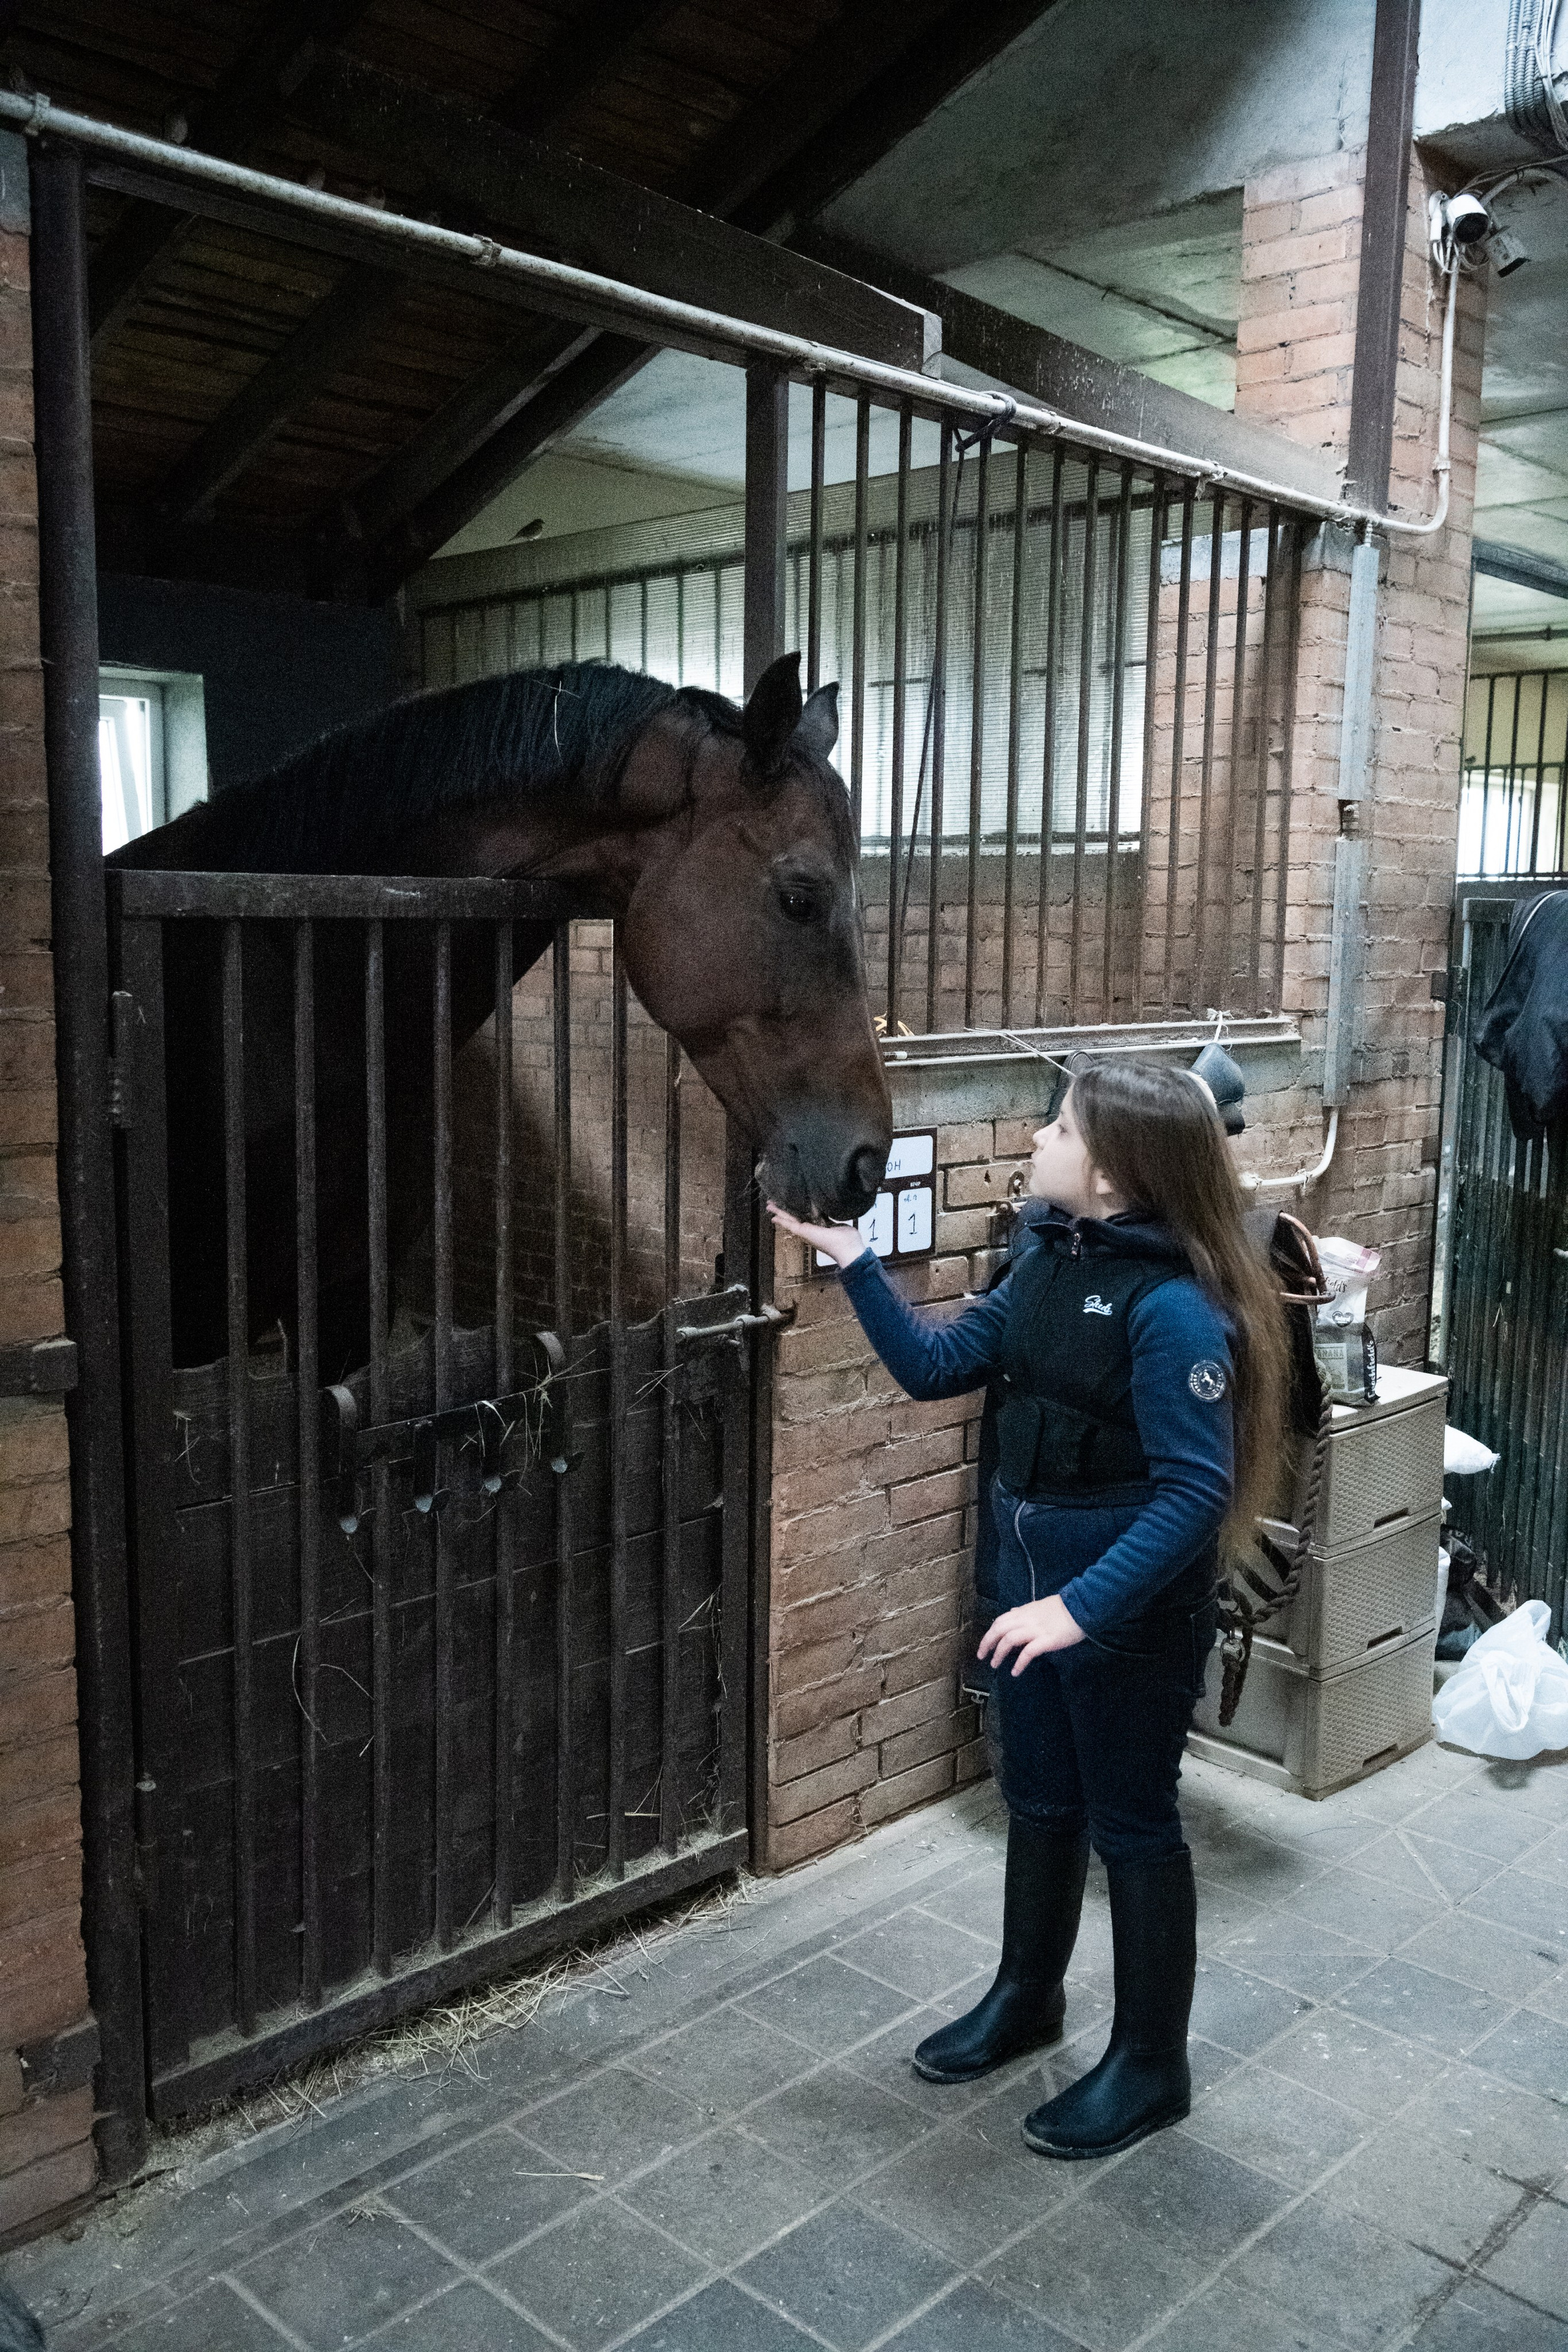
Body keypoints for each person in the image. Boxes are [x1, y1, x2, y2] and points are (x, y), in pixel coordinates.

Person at [768, 1057, 1288, 2160]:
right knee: (1041, 1802)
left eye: (1058, 1125)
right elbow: (937, 1364)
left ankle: (1154, 2065)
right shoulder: (1049, 1255)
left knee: (1134, 1823)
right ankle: (1026, 1998)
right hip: (1026, 1592)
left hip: (1124, 1614)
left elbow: (1194, 1495)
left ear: (1109, 1171)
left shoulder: (1176, 1310)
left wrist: (1079, 1610)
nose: (1038, 1138)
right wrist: (859, 1263)